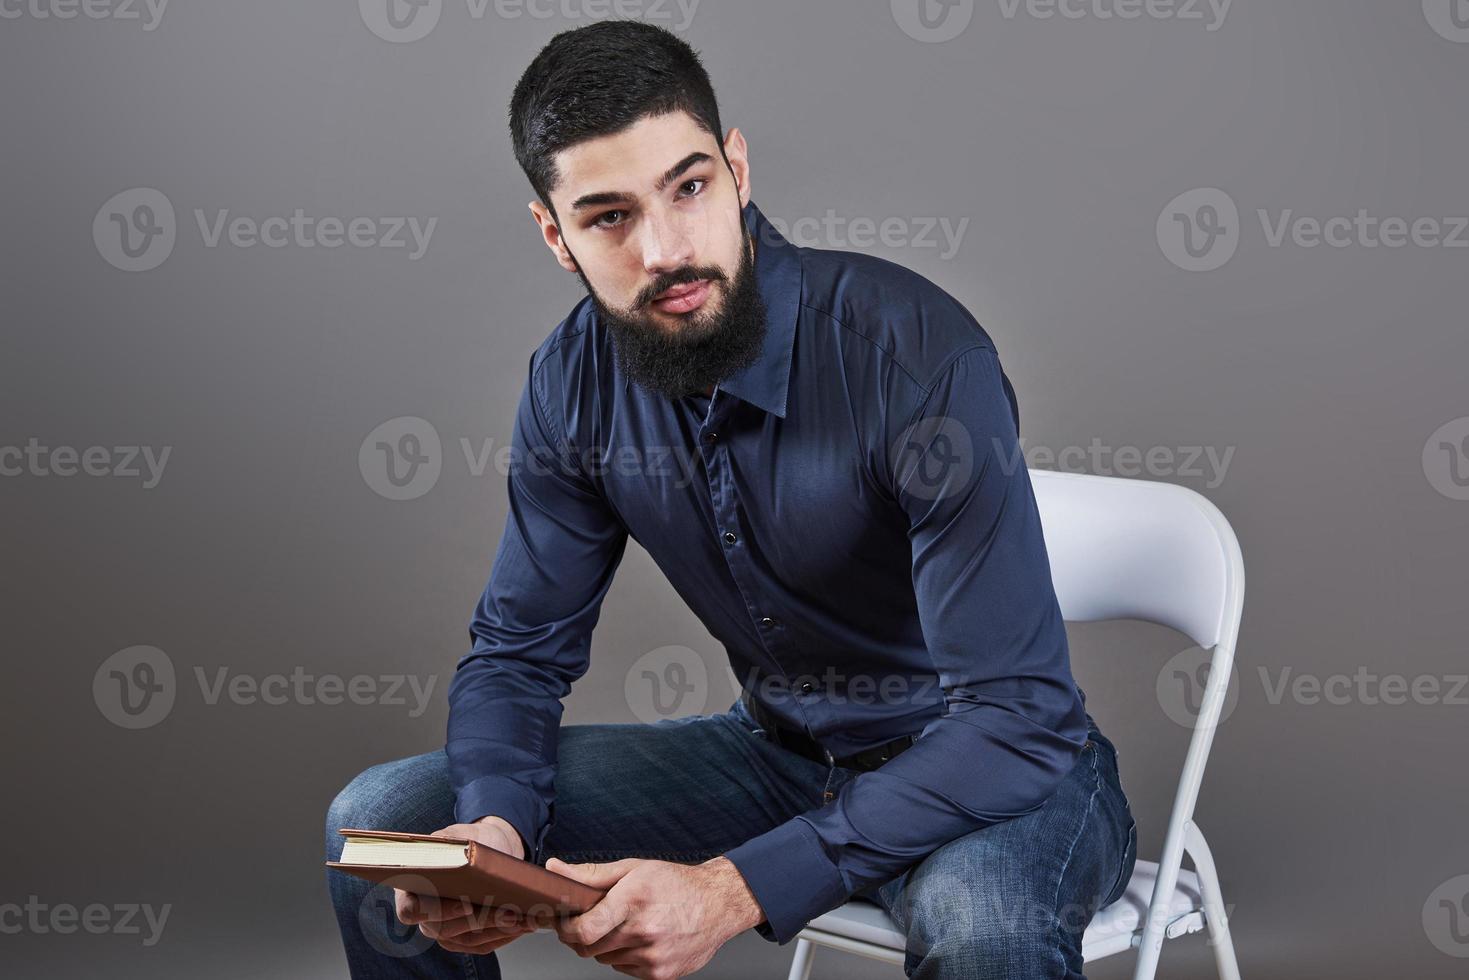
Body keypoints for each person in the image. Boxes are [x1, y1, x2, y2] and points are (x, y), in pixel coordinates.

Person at [327, 20, 1136, 980]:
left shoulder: (915, 358)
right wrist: (497, 823)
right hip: (778, 760)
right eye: (609, 217)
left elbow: (1017, 716)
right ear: (555, 235)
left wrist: (735, 887)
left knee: (983, 931)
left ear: (737, 168)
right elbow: (517, 652)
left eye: (689, 187)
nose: (666, 248)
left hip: (996, 770)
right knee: (384, 822)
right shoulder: (572, 382)